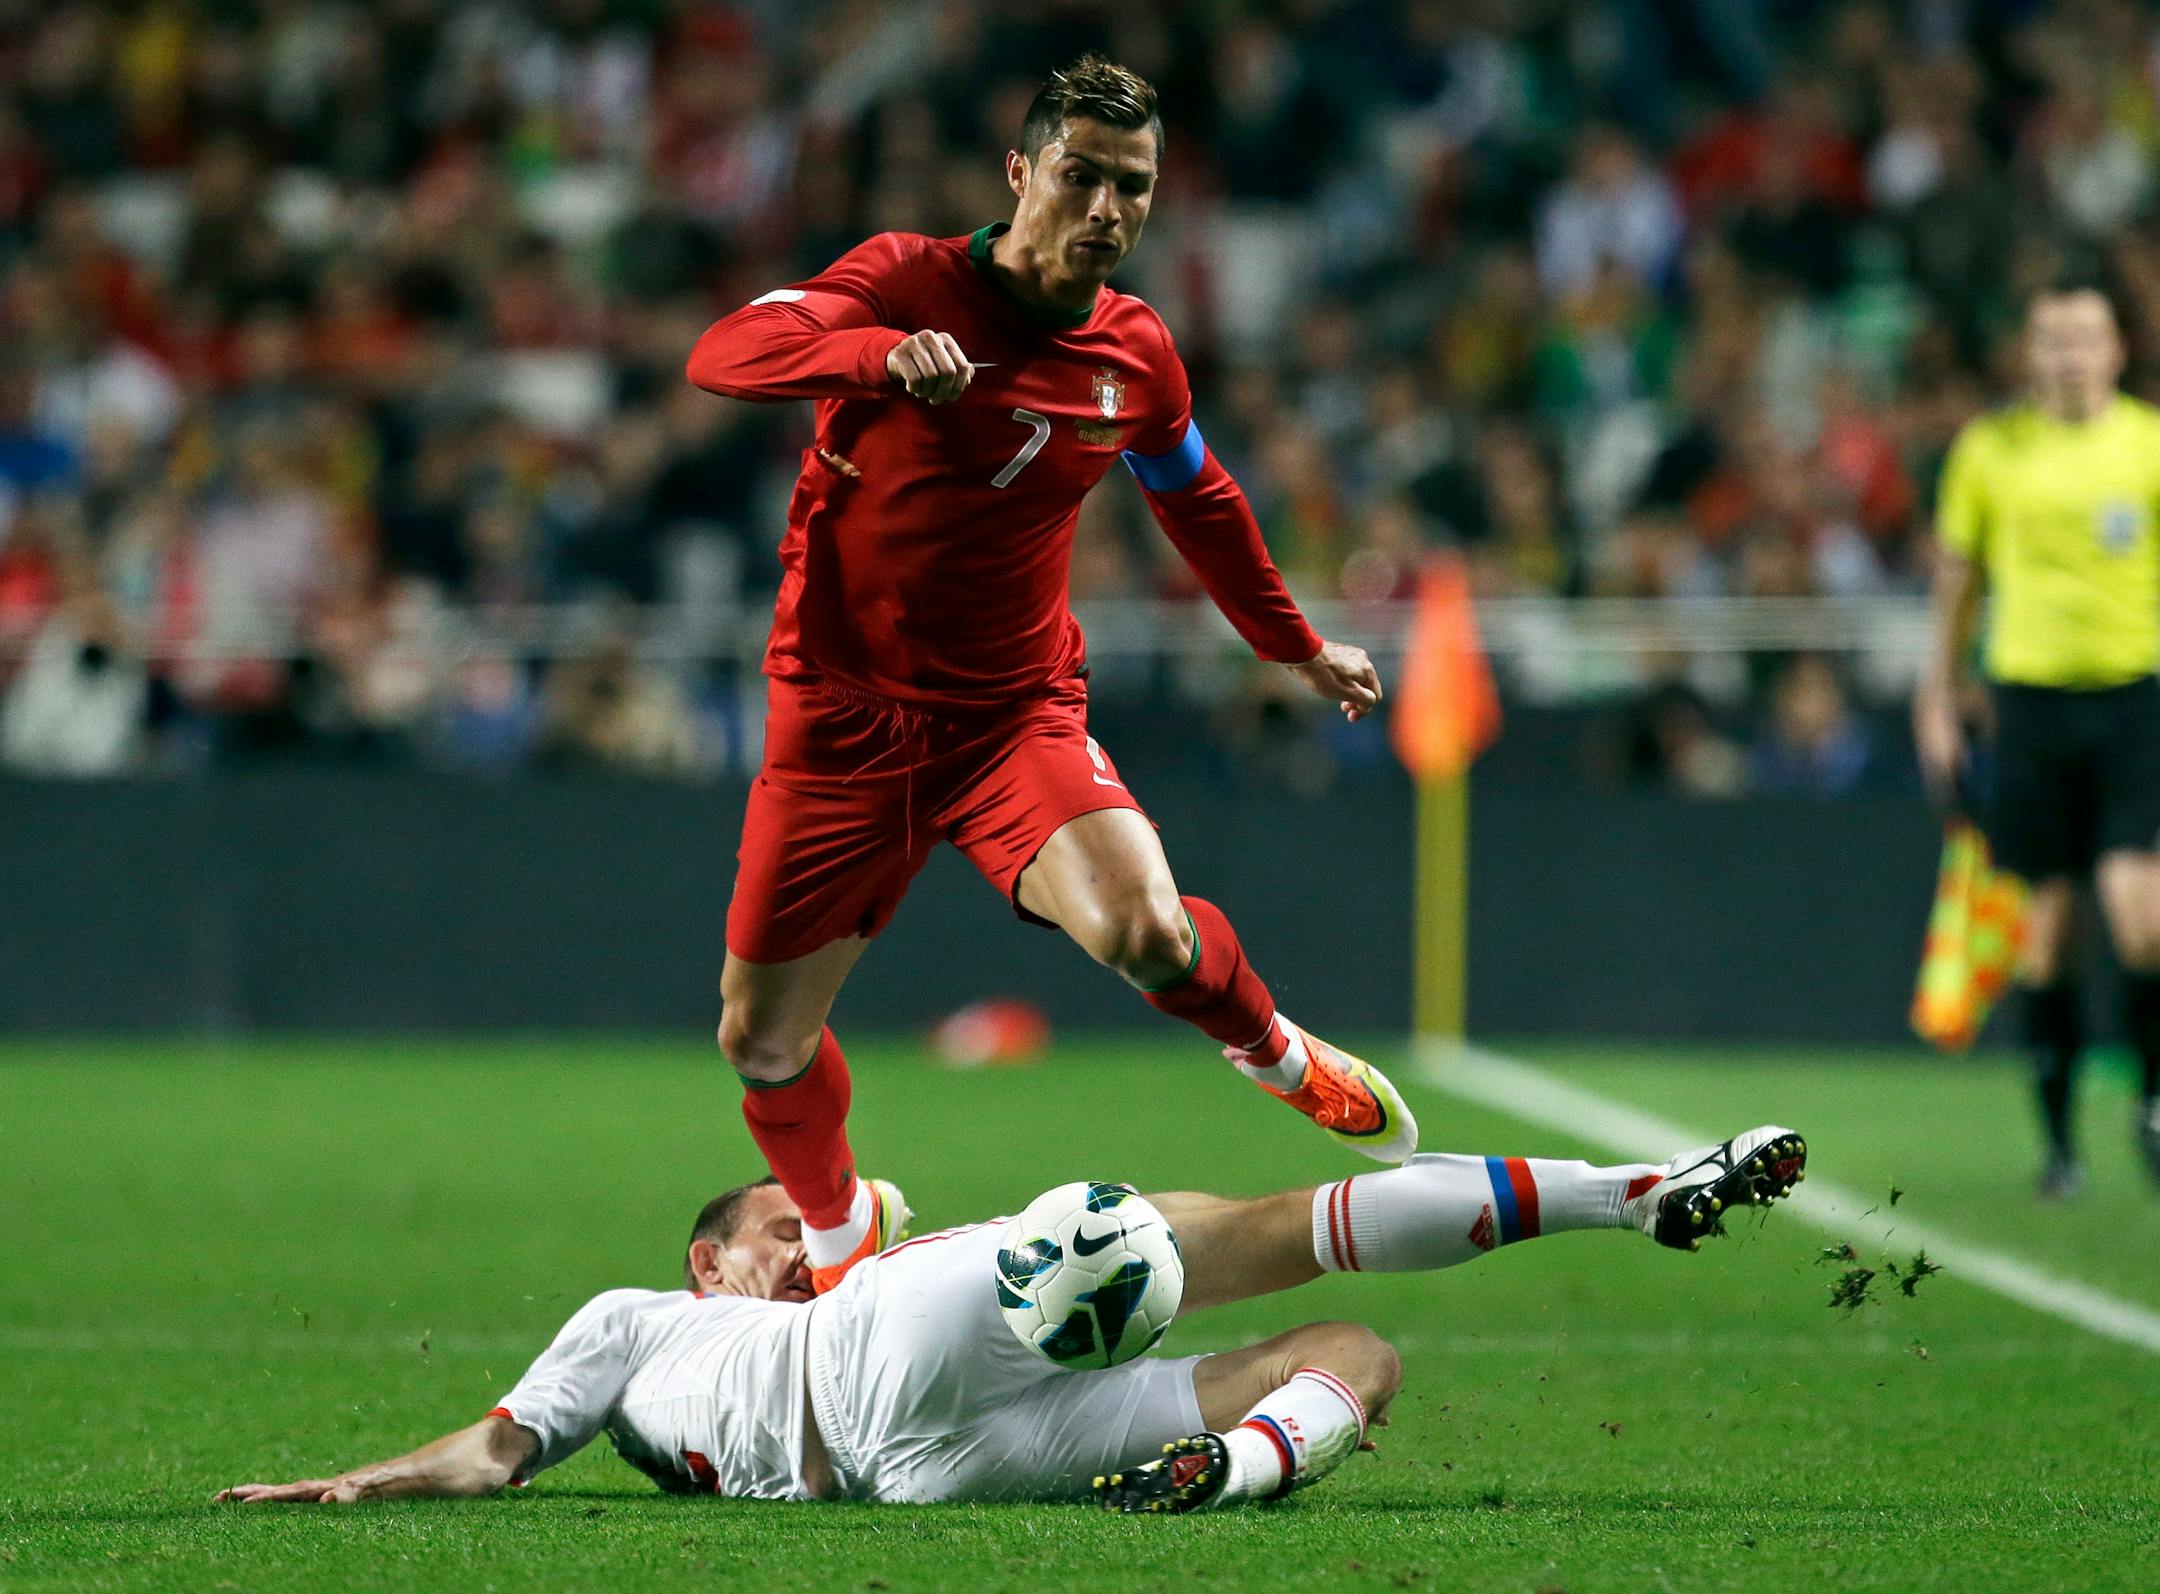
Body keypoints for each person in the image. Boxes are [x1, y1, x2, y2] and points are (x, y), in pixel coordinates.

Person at [683, 55, 1410, 1292]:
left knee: (1148, 933)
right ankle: (843, 1225)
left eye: (1134, 185)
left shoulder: (1137, 351)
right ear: (1021, 172)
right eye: (1081, 175)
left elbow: (1199, 497)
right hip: (842, 716)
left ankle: (1276, 1050)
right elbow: (727, 350)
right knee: (759, 1039)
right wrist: (874, 357)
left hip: (1009, 717)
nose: (1107, 208)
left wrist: (1291, 642)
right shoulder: (904, 278)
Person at [214, 1125, 1806, 1514]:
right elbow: (497, 1445)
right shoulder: (635, 1316)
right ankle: (1625, 1194)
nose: (800, 1236)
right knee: (1176, 1229)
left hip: (927, 1472)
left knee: (1354, 1358)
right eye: (775, 1228)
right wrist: (363, 1475)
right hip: (860, 1367)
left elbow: (497, 1461)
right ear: (706, 1263)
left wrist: (352, 1483)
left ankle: (1241, 1466)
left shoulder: (771, 1298)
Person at [1914, 280, 2160, 1198]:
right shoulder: (1990, 450)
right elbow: (1957, 581)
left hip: (2133, 701)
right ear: (2030, 352)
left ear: (2117, 348)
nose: (2069, 355)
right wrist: (1937, 698)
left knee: (2144, 921)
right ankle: (2060, 1147)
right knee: (2047, 939)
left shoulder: (2149, 443)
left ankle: (2152, 1104)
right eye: (2053, 338)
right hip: (2028, 706)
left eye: (2086, 337)